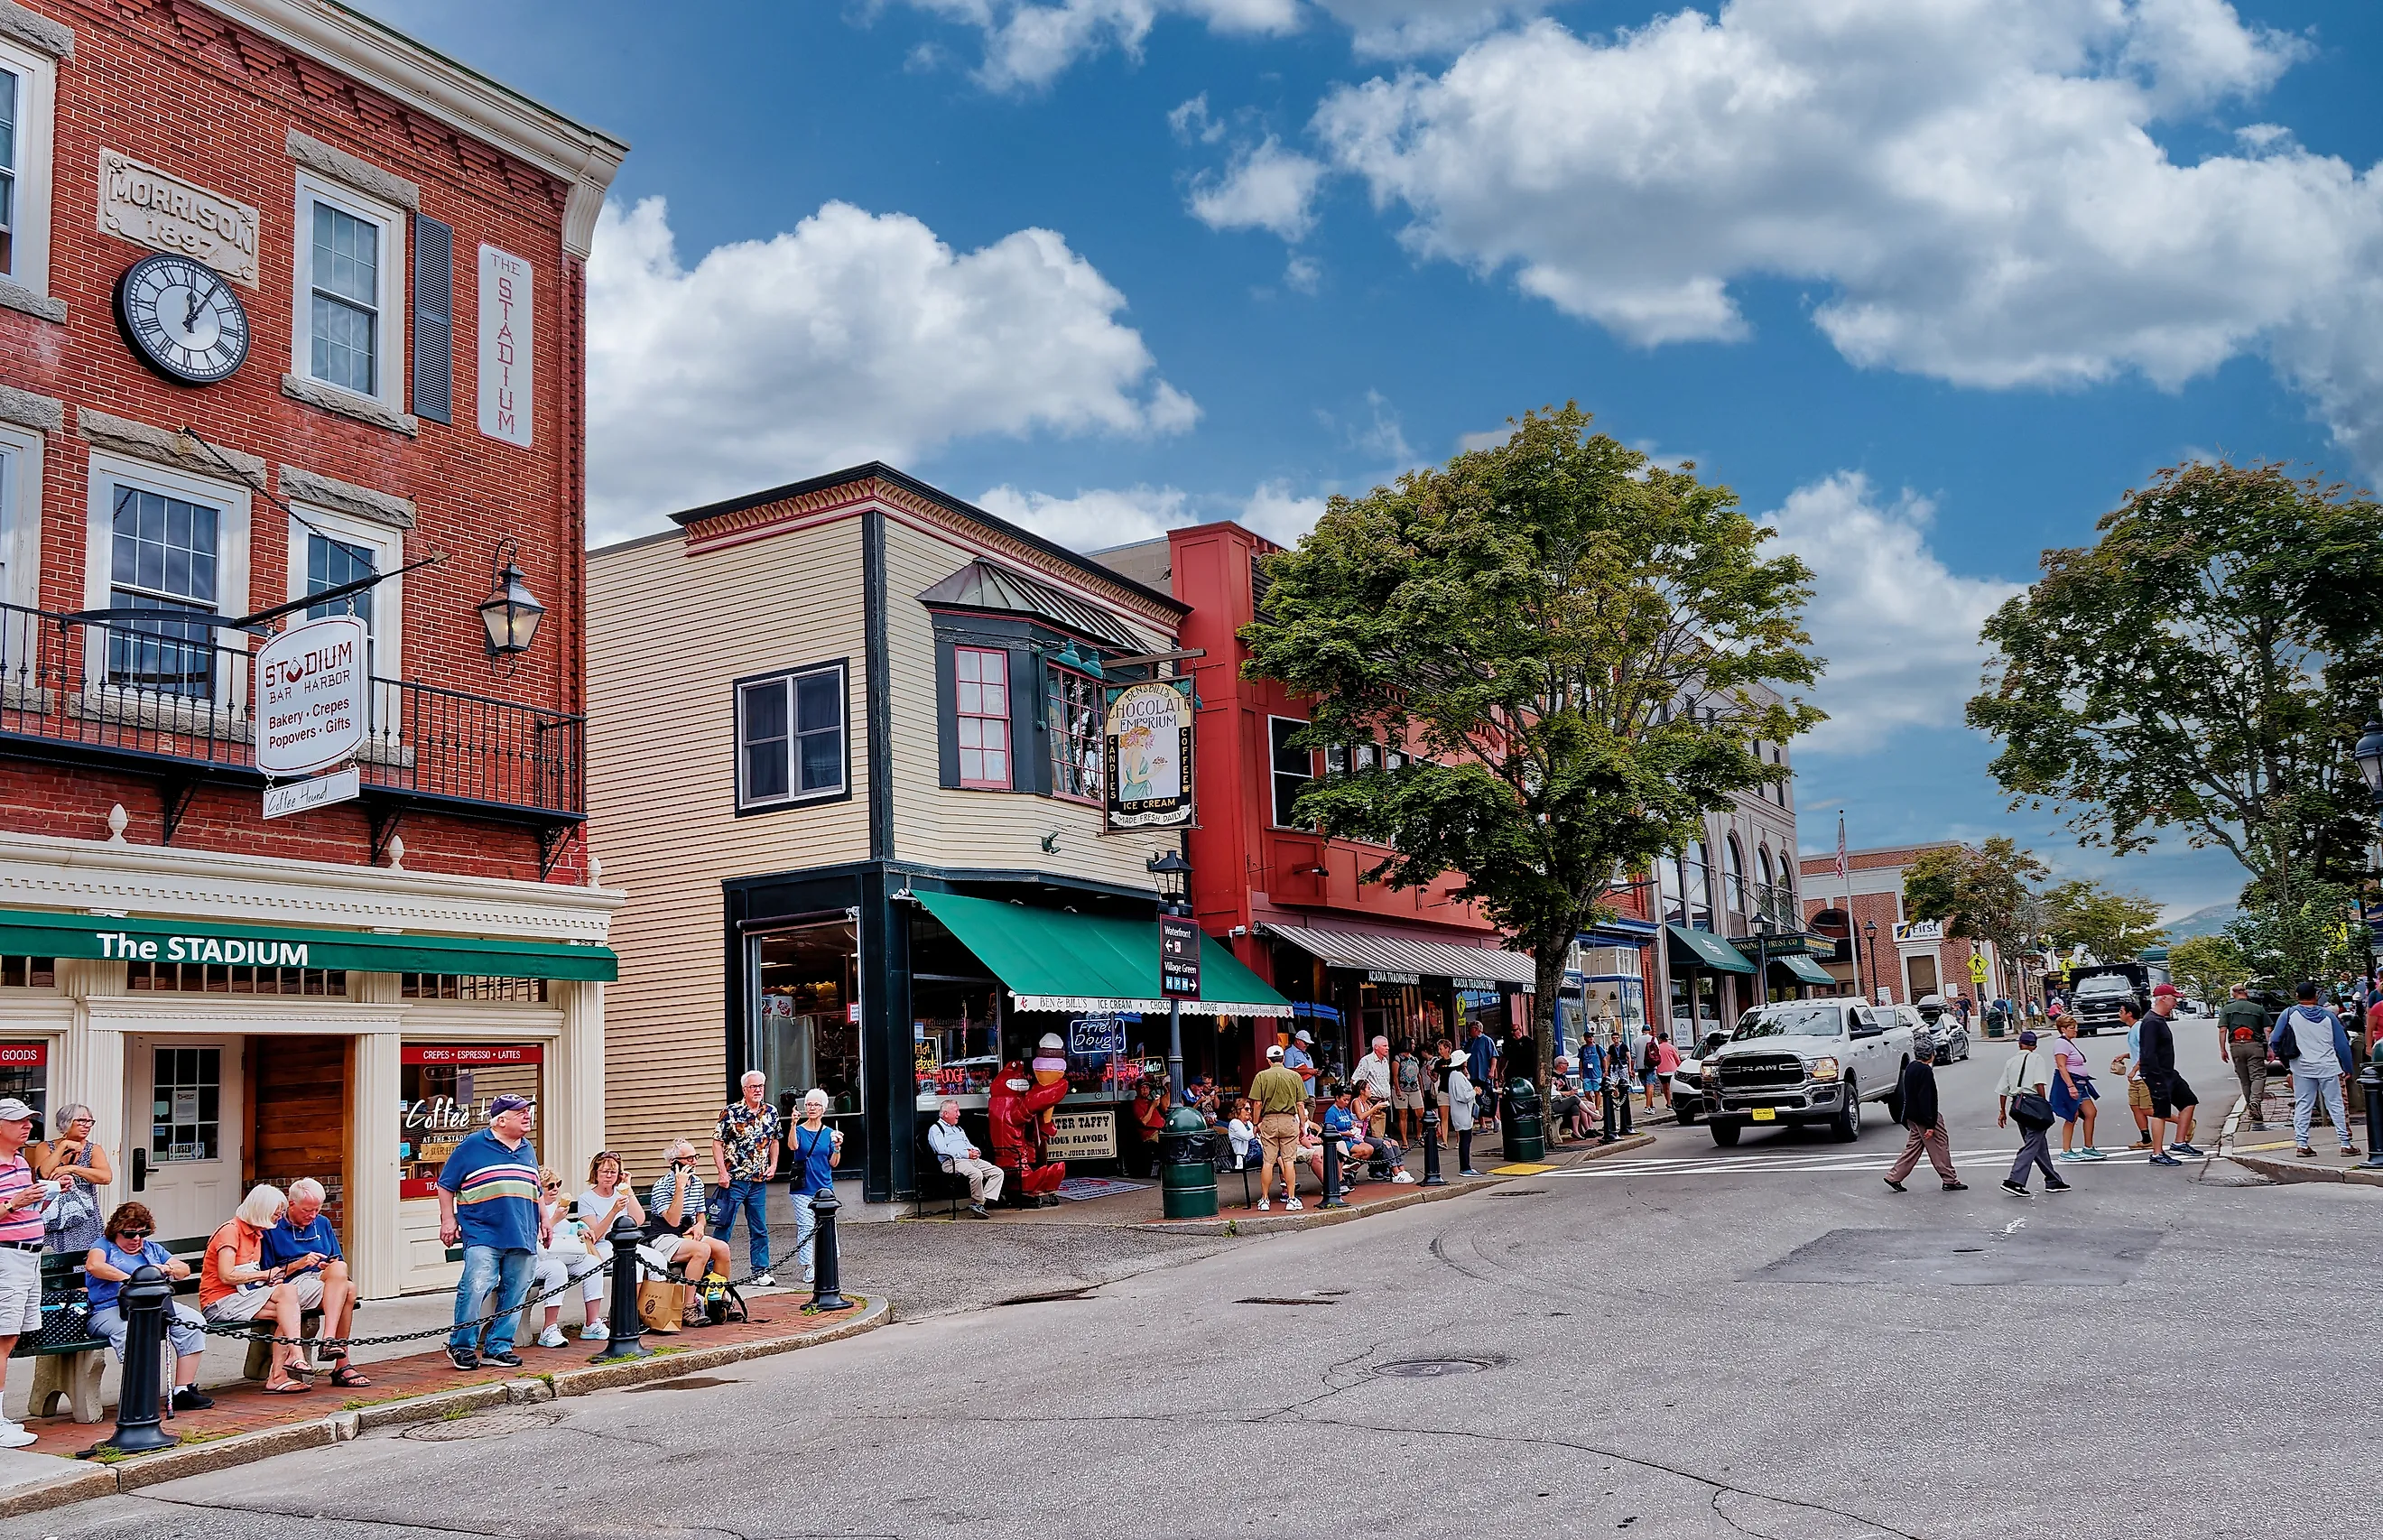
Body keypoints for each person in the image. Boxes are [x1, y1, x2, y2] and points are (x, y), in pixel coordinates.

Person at [437, 1092, 548, 1372]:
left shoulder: (527, 1149)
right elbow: (446, 1184)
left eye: (528, 1111)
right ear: (500, 1120)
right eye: (520, 1112)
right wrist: (448, 1220)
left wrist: (545, 1219)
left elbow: (536, 1189)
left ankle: (498, 1346)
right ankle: (461, 1346)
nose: (527, 1116)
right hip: (482, 1231)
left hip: (522, 1231)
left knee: (516, 1290)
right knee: (475, 1287)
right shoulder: (472, 1145)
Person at [83, 1201, 211, 1410]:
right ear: (117, 1230)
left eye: (142, 1234)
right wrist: (134, 1279)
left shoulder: (152, 1250)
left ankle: (183, 1390)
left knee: (193, 1321)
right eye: (129, 1234)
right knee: (132, 1330)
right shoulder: (104, 1245)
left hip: (154, 1305)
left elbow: (184, 1269)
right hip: (110, 1309)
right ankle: (139, 1394)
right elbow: (94, 1265)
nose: (136, 1240)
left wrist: (167, 1268)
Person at [202, 1184, 315, 1391]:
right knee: (288, 1296)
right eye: (276, 1212)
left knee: (288, 1310)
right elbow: (226, 1275)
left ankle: (278, 1376)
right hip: (220, 1301)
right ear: (262, 1209)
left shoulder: (257, 1234)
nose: (279, 1217)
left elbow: (251, 1276)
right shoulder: (231, 1231)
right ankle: (294, 1356)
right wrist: (265, 1275)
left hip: (244, 1297)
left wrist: (267, 1280)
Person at [260, 1176, 370, 1387]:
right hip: (289, 1284)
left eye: (316, 1210)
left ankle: (329, 1340)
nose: (312, 1215)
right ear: (291, 1204)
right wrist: (298, 1264)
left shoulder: (322, 1223)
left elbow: (336, 1259)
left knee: (340, 1270)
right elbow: (267, 1274)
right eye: (307, 1210)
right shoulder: (273, 1227)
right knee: (348, 1290)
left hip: (319, 1281)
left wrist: (326, 1266)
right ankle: (342, 1364)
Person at [0, 1099, 53, 1444]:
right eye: (19, 1121)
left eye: (29, 1120)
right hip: (6, 1258)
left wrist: (45, 1195)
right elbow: (11, 1208)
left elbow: (28, 1210)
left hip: (30, 1256)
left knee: (12, 1336)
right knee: (2, 1339)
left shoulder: (21, 1161)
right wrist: (14, 1203)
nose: (27, 1126)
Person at [2274, 981, 2360, 1159]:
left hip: (2302, 1066)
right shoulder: (2329, 1016)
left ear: (2297, 996)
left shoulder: (2289, 1014)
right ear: (2316, 996)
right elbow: (2342, 1044)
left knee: (2303, 1104)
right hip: (2329, 1066)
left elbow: (2275, 1040)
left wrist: (2287, 1063)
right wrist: (2347, 1066)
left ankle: (2302, 1144)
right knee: (2336, 1104)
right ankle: (2345, 1144)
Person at [710, 1071, 780, 1288]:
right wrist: (722, 1172)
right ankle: (712, 1271)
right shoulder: (731, 1113)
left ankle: (760, 1271)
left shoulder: (771, 1112)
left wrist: (774, 1164)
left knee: (759, 1227)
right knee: (724, 1226)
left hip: (759, 1181)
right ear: (744, 1090)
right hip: (735, 1180)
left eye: (761, 1086)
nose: (758, 1090)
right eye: (753, 1087)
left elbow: (775, 1140)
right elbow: (717, 1142)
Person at [575, 1151, 645, 1340]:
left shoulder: (621, 1193)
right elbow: (594, 1236)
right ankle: (623, 1314)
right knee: (633, 1263)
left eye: (613, 1172)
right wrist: (614, 1210)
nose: (608, 1176)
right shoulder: (586, 1199)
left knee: (657, 1261)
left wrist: (628, 1190)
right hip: (604, 1245)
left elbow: (638, 1220)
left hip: (628, 1245)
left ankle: (644, 1312)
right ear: (596, 1173)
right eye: (604, 1172)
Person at [531, 1168, 604, 1345]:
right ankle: (549, 1328)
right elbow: (533, 1238)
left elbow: (567, 1229)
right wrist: (553, 1219)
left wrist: (581, 1229)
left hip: (564, 1253)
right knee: (557, 1271)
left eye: (558, 1184)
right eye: (550, 1186)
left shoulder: (559, 1207)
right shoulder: (532, 1208)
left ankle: (592, 1323)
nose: (555, 1189)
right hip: (539, 1259)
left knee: (593, 1263)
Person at [1883, 1038, 1963, 1192]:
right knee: (1940, 1147)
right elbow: (1926, 1098)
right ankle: (1949, 1179)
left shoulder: (1911, 1067)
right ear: (1931, 1054)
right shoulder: (1925, 1071)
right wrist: (1930, 1124)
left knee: (1913, 1148)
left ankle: (1894, 1176)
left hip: (1912, 1115)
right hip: (1925, 1117)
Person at [649, 1139, 733, 1285]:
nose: (694, 1162)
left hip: (686, 1234)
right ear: (673, 1162)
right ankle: (690, 1303)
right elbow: (673, 1221)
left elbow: (701, 1214)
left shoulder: (697, 1183)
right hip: (664, 1236)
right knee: (702, 1250)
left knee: (722, 1248)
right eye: (689, 1158)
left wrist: (700, 1225)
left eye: (695, 1157)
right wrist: (679, 1188)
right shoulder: (661, 1186)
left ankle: (716, 1297)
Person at [1996, 1030, 2069, 1197]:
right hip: (2033, 1103)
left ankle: (2053, 1179)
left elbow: (2003, 1089)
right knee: (2032, 1144)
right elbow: (2040, 1083)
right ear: (2034, 1046)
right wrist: (2043, 1104)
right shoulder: (2036, 1059)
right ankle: (2015, 1180)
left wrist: (2002, 1111)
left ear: (2019, 1044)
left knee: (2038, 1144)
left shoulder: (2011, 1061)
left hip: (2018, 1105)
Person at [30, 1104, 109, 1257]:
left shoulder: (93, 1149)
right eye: (81, 1121)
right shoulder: (45, 1147)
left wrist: (71, 1169)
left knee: (83, 1262)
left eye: (90, 1121)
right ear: (66, 1122)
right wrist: (64, 1146)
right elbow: (44, 1173)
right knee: (53, 1262)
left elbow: (106, 1177)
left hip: (84, 1218)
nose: (87, 1126)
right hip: (52, 1216)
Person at [2134, 988, 2201, 1164]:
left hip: (2169, 1072)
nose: (2176, 1002)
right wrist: (2155, 1076)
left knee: (2188, 1100)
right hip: (2157, 1074)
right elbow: (2147, 1052)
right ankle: (2157, 1154)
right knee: (2160, 1111)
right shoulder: (2151, 1022)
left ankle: (2179, 1142)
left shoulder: (2159, 1020)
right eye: (2174, 998)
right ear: (2163, 998)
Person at [784, 1090, 843, 1282]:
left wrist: (837, 1147)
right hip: (802, 1187)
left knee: (828, 1226)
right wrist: (793, 1124)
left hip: (824, 1187)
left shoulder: (829, 1133)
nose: (812, 1108)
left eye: (816, 1105)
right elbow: (793, 1147)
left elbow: (833, 1163)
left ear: (824, 1109)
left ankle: (830, 1264)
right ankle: (809, 1266)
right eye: (809, 1104)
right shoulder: (800, 1130)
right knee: (806, 1226)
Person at [1248, 1044, 1307, 1212]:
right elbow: (1300, 1104)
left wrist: (1254, 1123)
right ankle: (1291, 1198)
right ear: (1283, 1059)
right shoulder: (1294, 1076)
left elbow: (1257, 1103)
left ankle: (1265, 1199)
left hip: (1268, 1121)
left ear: (1268, 1060)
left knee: (1268, 1161)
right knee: (1289, 1161)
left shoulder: (1261, 1076)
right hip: (1289, 1120)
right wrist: (1303, 1124)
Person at [928, 1097, 1005, 1217]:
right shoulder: (936, 1129)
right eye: (956, 1111)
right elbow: (942, 1150)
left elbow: (968, 1144)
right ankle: (978, 1203)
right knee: (976, 1174)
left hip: (970, 1159)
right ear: (945, 1114)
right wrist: (965, 1154)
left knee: (997, 1172)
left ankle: (981, 1204)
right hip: (952, 1162)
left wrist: (975, 1151)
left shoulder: (958, 1129)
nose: (959, 1114)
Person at [2048, 1016, 2104, 1162]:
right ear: (2063, 1029)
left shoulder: (2068, 1043)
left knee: (2090, 1112)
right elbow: (2061, 1066)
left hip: (2080, 1084)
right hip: (2071, 1084)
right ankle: (2066, 1150)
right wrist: (2070, 1086)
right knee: (2071, 1116)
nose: (2076, 1030)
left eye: (2075, 1027)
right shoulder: (2061, 1044)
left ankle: (2088, 1147)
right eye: (2072, 1027)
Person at [2217, 984, 2272, 1130]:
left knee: (2244, 1079)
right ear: (2245, 993)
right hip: (2254, 1045)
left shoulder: (2227, 1009)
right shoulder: (2258, 1008)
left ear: (2234, 994)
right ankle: (2255, 1102)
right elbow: (2267, 1029)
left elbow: (2223, 1030)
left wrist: (2222, 1049)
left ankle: (2252, 1109)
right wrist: (2271, 1049)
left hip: (2236, 1046)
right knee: (2258, 1076)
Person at [1441, 1039, 1480, 1175]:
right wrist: (1473, 1092)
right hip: (1462, 1113)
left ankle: (1466, 1167)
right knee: (1465, 1141)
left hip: (1461, 1113)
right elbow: (1462, 1096)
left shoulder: (1455, 1075)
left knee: (1465, 1140)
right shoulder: (1457, 1076)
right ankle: (1465, 1167)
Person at [1466, 1023, 1499, 1131]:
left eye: (1470, 1029)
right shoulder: (1470, 1043)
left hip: (1484, 1075)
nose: (1469, 1032)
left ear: (1476, 1029)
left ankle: (1494, 1119)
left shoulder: (1486, 1040)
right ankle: (1482, 1125)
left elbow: (1494, 1056)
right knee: (1476, 1100)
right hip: (1473, 1076)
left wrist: (1492, 1070)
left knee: (1487, 1098)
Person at [1390, 1044, 1424, 1146]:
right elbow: (1395, 1076)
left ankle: (1419, 1135)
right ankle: (1405, 1140)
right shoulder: (1397, 1059)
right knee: (1403, 1114)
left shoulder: (1414, 1059)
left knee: (1420, 1114)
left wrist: (1421, 1090)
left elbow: (1419, 1076)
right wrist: (1397, 1089)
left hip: (1414, 1088)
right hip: (1402, 1089)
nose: (1414, 1046)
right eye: (1412, 1043)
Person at [1352, 1035, 1395, 1109]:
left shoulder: (1385, 1061)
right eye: (1384, 1046)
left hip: (1385, 1101)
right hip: (1373, 1102)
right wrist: (1365, 1101)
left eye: (1387, 1046)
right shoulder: (1366, 1061)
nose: (1387, 1048)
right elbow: (1355, 1081)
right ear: (1376, 1047)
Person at [1283, 1030, 1320, 1100]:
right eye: (1305, 1043)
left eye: (1308, 1043)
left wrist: (1315, 1073)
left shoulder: (1307, 1054)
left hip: (1310, 1093)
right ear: (1298, 1041)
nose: (1307, 1045)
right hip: (1299, 1095)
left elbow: (1309, 1071)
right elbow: (1288, 1071)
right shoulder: (1289, 1053)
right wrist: (1308, 1071)